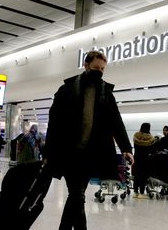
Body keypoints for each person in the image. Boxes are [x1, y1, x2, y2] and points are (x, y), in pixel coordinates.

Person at [44, 50, 134, 230]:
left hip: (91, 153)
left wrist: (126, 148)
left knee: (77, 195)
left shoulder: (106, 93)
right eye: (95, 68)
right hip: (69, 151)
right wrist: (48, 152)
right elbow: (54, 123)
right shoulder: (67, 90)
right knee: (77, 195)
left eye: (102, 69)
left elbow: (116, 121)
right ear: (85, 66)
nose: (99, 72)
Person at [132, 122, 157, 199]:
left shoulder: (136, 136)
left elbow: (135, 147)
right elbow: (152, 150)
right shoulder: (150, 138)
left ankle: (135, 192)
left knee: (136, 175)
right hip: (145, 159)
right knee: (143, 176)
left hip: (136, 158)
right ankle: (141, 193)